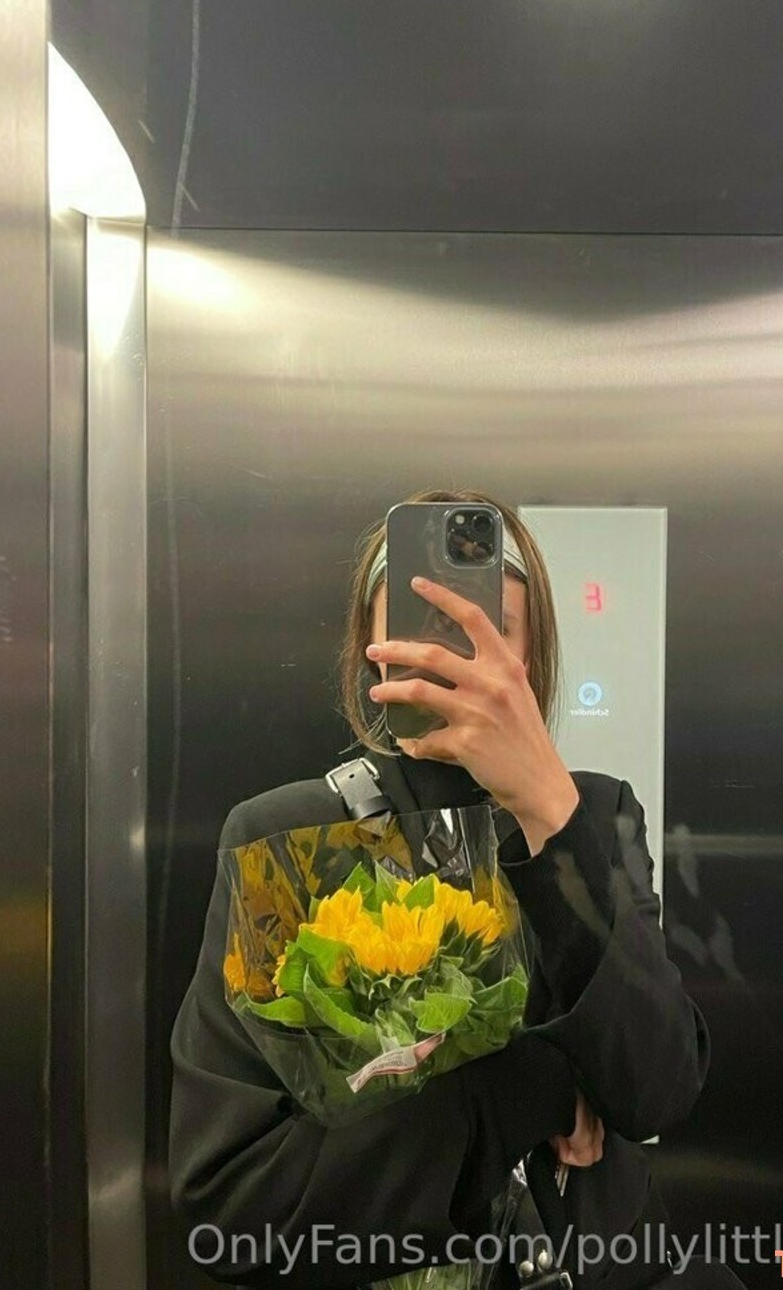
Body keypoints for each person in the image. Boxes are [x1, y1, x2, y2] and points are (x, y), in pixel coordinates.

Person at [169, 487, 719, 1290]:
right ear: (372, 649)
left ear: (529, 659)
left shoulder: (593, 816)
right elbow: (232, 1207)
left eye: (485, 630)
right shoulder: (281, 839)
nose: (451, 658)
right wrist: (525, 1091)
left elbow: (656, 1088)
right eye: (421, 627)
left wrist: (549, 810)